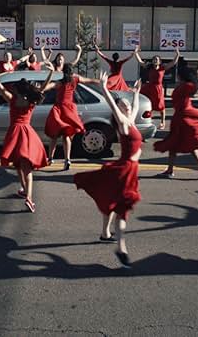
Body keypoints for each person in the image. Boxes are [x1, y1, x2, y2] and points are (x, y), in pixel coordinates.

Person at [73, 76, 144, 268]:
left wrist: (136, 92)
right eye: (124, 106)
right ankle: (121, 248)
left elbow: (135, 107)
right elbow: (113, 106)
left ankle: (105, 234)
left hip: (130, 171)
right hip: (125, 170)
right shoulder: (123, 123)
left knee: (113, 203)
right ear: (120, 110)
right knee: (122, 208)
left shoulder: (131, 121)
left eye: (128, 105)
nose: (128, 107)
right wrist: (104, 89)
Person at [0, 67, 53, 212]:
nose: (13, 90)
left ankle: (28, 196)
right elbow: (42, 89)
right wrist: (51, 73)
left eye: (14, 89)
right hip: (27, 133)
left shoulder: (12, 100)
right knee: (24, 166)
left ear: (18, 91)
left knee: (19, 164)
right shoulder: (31, 101)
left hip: (14, 133)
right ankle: (26, 193)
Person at [42, 63, 103, 170]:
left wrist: (42, 86)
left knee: (54, 136)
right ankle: (67, 159)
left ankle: (50, 158)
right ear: (72, 71)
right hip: (70, 109)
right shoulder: (75, 79)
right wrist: (101, 82)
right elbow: (89, 80)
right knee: (66, 136)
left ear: (63, 72)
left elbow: (47, 87)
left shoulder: (60, 83)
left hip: (59, 109)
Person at [135, 48, 182, 129]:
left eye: (156, 59)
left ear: (160, 61)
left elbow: (173, 63)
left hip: (158, 88)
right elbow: (140, 62)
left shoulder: (162, 68)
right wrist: (136, 53)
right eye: (154, 59)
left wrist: (177, 55)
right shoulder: (149, 67)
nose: (155, 60)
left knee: (161, 106)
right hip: (149, 88)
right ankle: (149, 120)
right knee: (150, 105)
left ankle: (162, 122)